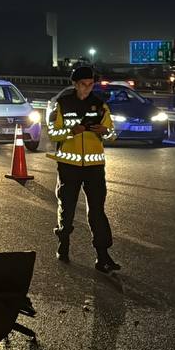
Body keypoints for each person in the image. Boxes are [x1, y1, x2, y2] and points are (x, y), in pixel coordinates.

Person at [46, 65, 121, 273]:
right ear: (75, 84)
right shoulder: (62, 104)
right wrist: (71, 131)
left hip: (95, 166)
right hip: (69, 166)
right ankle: (63, 242)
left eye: (90, 85)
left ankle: (103, 256)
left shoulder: (100, 105)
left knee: (97, 211)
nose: (87, 89)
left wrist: (104, 131)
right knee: (67, 206)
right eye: (83, 85)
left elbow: (112, 134)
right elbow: (52, 133)